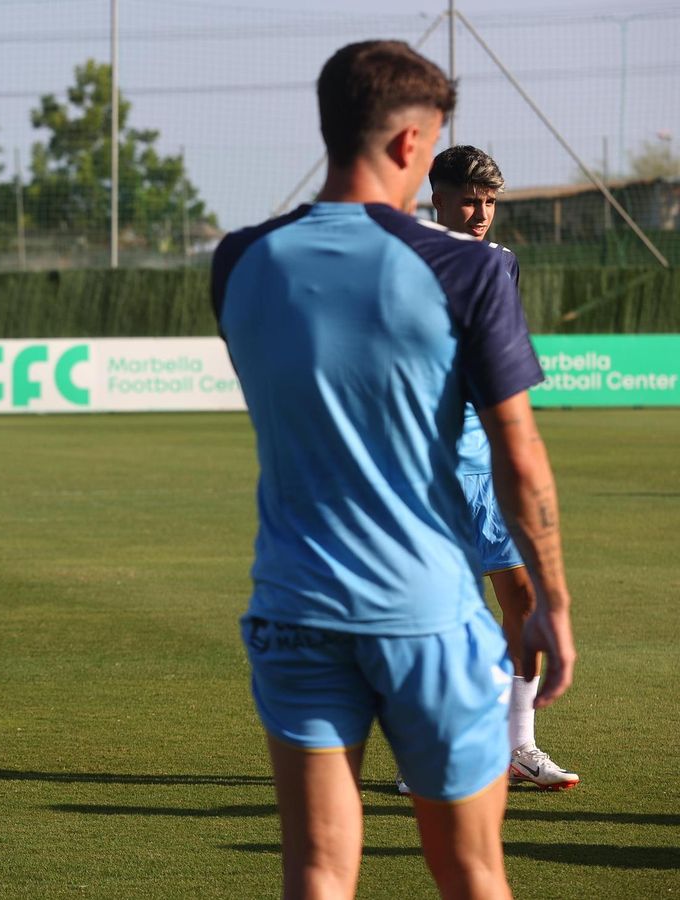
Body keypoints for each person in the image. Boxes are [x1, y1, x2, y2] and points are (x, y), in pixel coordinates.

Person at [212, 41, 576, 898]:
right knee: (472, 870)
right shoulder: (470, 269)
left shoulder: (237, 261)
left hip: (293, 606)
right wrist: (552, 602)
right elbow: (520, 458)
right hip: (425, 614)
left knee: (318, 871)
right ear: (413, 144)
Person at [423, 144, 579, 791]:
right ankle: (434, 756)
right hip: (428, 469)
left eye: (490, 201)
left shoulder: (501, 264)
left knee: (520, 598)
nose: (482, 212)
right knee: (439, 615)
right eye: (469, 199)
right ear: (436, 195)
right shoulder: (407, 258)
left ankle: (519, 746)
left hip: (485, 465)